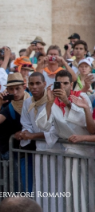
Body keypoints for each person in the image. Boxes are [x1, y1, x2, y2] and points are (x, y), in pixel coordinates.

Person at [35, 70, 94, 212]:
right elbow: (43, 125)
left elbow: (86, 123)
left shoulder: (82, 96)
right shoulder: (52, 103)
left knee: (88, 187)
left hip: (87, 151)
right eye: (59, 83)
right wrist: (49, 103)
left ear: (71, 84)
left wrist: (67, 102)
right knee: (71, 189)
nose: (62, 87)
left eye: (66, 83)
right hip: (70, 152)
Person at [20, 72, 64, 211]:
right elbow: (25, 123)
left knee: (58, 185)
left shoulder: (53, 100)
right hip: (39, 150)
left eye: (38, 83)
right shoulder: (28, 102)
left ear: (45, 84)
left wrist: (32, 136)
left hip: (57, 149)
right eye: (31, 84)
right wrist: (25, 133)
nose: (34, 87)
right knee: (41, 185)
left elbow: (54, 130)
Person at [0, 72, 35, 192]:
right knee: (24, 188)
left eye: (17, 88)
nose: (14, 92)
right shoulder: (9, 106)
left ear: (24, 87)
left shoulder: (34, 100)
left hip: (38, 151)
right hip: (21, 154)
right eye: (11, 89)